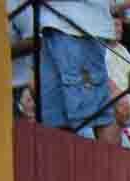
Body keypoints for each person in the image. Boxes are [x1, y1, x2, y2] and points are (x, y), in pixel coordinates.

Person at [37, 0, 119, 143]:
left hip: (77, 28)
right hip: (52, 25)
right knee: (56, 119)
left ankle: (111, 165)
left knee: (98, 116)